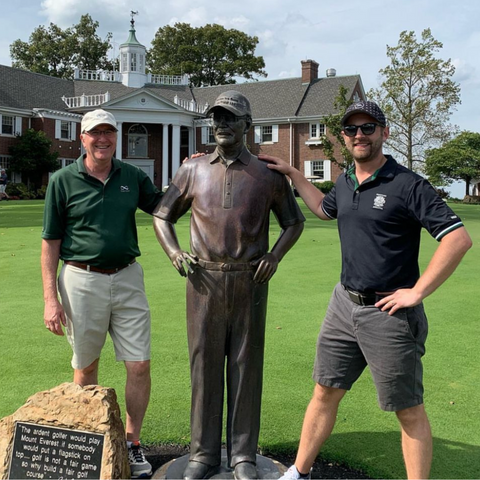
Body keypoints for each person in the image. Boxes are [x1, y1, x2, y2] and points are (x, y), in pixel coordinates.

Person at [260, 100, 472, 480]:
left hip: (389, 314)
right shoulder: (344, 181)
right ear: (343, 137)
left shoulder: (408, 185)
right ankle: (299, 473)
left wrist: (416, 292)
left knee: (407, 408)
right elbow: (324, 210)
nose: (360, 135)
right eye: (351, 129)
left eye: (368, 127)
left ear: (384, 133)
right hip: (343, 305)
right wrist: (293, 172)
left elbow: (457, 239)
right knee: (324, 391)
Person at [153, 91, 305, 480]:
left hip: (249, 282)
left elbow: (294, 221)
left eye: (230, 118)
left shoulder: (268, 174)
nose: (221, 124)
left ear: (247, 125)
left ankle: (242, 455)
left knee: (246, 367)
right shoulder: (193, 170)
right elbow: (162, 215)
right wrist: (173, 253)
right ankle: (202, 454)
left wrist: (274, 256)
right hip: (202, 281)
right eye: (216, 118)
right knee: (203, 366)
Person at [41, 109, 163, 479]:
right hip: (81, 279)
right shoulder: (62, 180)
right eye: (96, 133)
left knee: (139, 364)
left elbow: (164, 207)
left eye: (109, 132)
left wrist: (193, 172)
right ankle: (90, 443)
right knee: (86, 367)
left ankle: (132, 443)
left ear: (116, 137)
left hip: (127, 276)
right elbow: (50, 243)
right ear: (83, 138)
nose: (103, 139)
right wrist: (50, 298)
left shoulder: (132, 176)